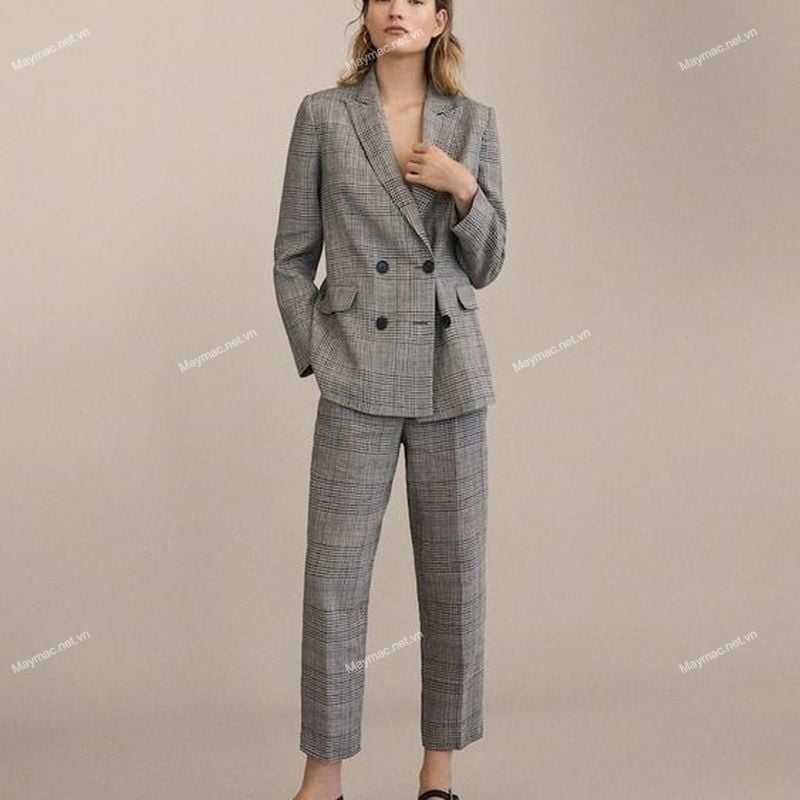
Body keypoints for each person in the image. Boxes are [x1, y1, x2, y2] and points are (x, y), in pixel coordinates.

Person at [273, 2, 507, 798]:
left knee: (454, 579)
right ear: (368, 17)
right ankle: (323, 777)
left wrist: (463, 187)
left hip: (451, 370)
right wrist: (323, 351)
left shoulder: (472, 122)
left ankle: (438, 770)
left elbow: (489, 263)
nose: (395, 9)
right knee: (334, 582)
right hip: (358, 373)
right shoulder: (324, 115)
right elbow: (291, 256)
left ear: (440, 20)